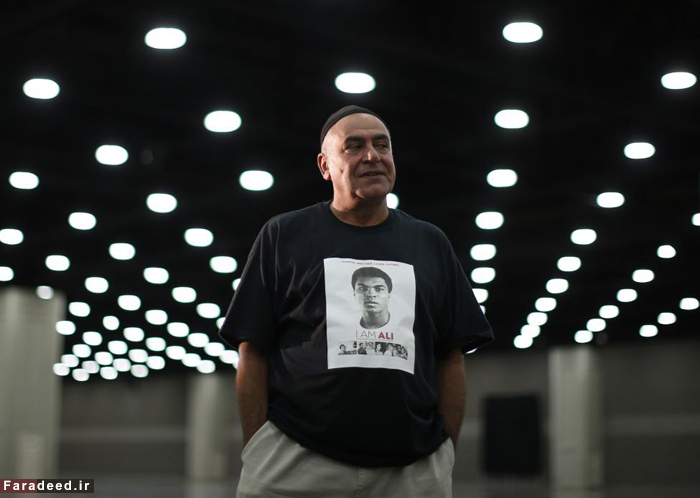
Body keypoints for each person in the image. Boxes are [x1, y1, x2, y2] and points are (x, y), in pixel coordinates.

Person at [220, 105, 494, 498]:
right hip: (294, 463)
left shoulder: (430, 242)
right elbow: (253, 350)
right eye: (354, 146)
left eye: (382, 145)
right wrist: (257, 446)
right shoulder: (284, 235)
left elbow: (451, 355)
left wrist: (445, 450)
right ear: (325, 166)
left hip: (413, 471)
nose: (372, 155)